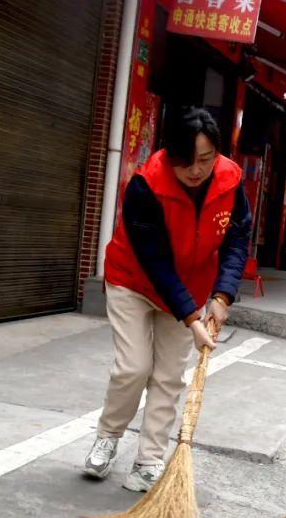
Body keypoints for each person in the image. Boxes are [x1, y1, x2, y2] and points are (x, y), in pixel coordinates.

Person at [84, 107, 252, 491]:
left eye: (206, 159)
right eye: (186, 161)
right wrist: (192, 319)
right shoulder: (146, 184)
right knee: (133, 367)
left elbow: (237, 238)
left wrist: (223, 296)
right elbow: (155, 261)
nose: (196, 170)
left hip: (190, 287)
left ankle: (148, 461)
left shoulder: (230, 181)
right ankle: (108, 437)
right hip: (135, 281)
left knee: (168, 377)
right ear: (169, 153)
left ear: (218, 154)